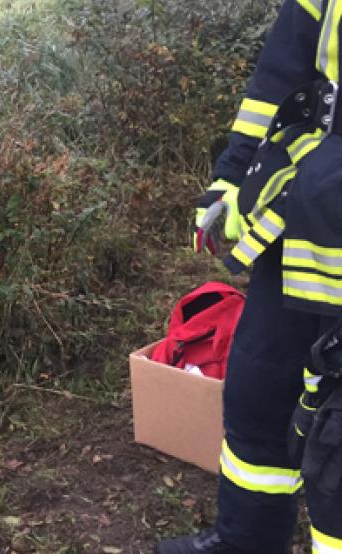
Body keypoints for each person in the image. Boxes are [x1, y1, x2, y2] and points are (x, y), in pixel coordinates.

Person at [156, 1, 342, 552]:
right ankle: (245, 540)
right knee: (257, 391)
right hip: (303, 223)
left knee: (335, 446)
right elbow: (280, 76)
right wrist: (232, 177)